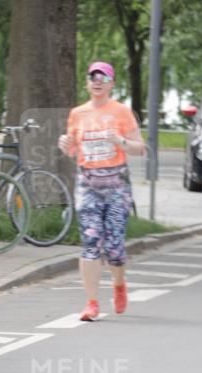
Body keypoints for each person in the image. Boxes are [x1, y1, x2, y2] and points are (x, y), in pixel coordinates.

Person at [58, 61, 145, 321]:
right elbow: (73, 148)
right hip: (88, 184)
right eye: (92, 77)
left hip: (116, 185)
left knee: (116, 248)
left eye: (103, 78)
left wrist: (120, 141)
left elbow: (140, 148)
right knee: (90, 242)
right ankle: (92, 303)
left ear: (111, 84)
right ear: (87, 82)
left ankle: (119, 284)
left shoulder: (122, 112)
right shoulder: (77, 113)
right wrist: (65, 144)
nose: (97, 81)